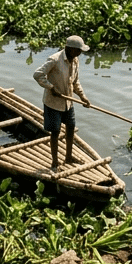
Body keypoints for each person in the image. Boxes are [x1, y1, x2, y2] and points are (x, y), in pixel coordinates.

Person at [33, 35, 92, 173]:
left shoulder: (75, 61)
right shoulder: (55, 59)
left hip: (68, 102)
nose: (80, 53)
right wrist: (51, 87)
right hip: (53, 103)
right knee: (55, 131)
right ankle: (54, 162)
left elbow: (75, 81)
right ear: (70, 49)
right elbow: (38, 74)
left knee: (71, 127)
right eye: (78, 50)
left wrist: (83, 97)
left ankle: (69, 157)